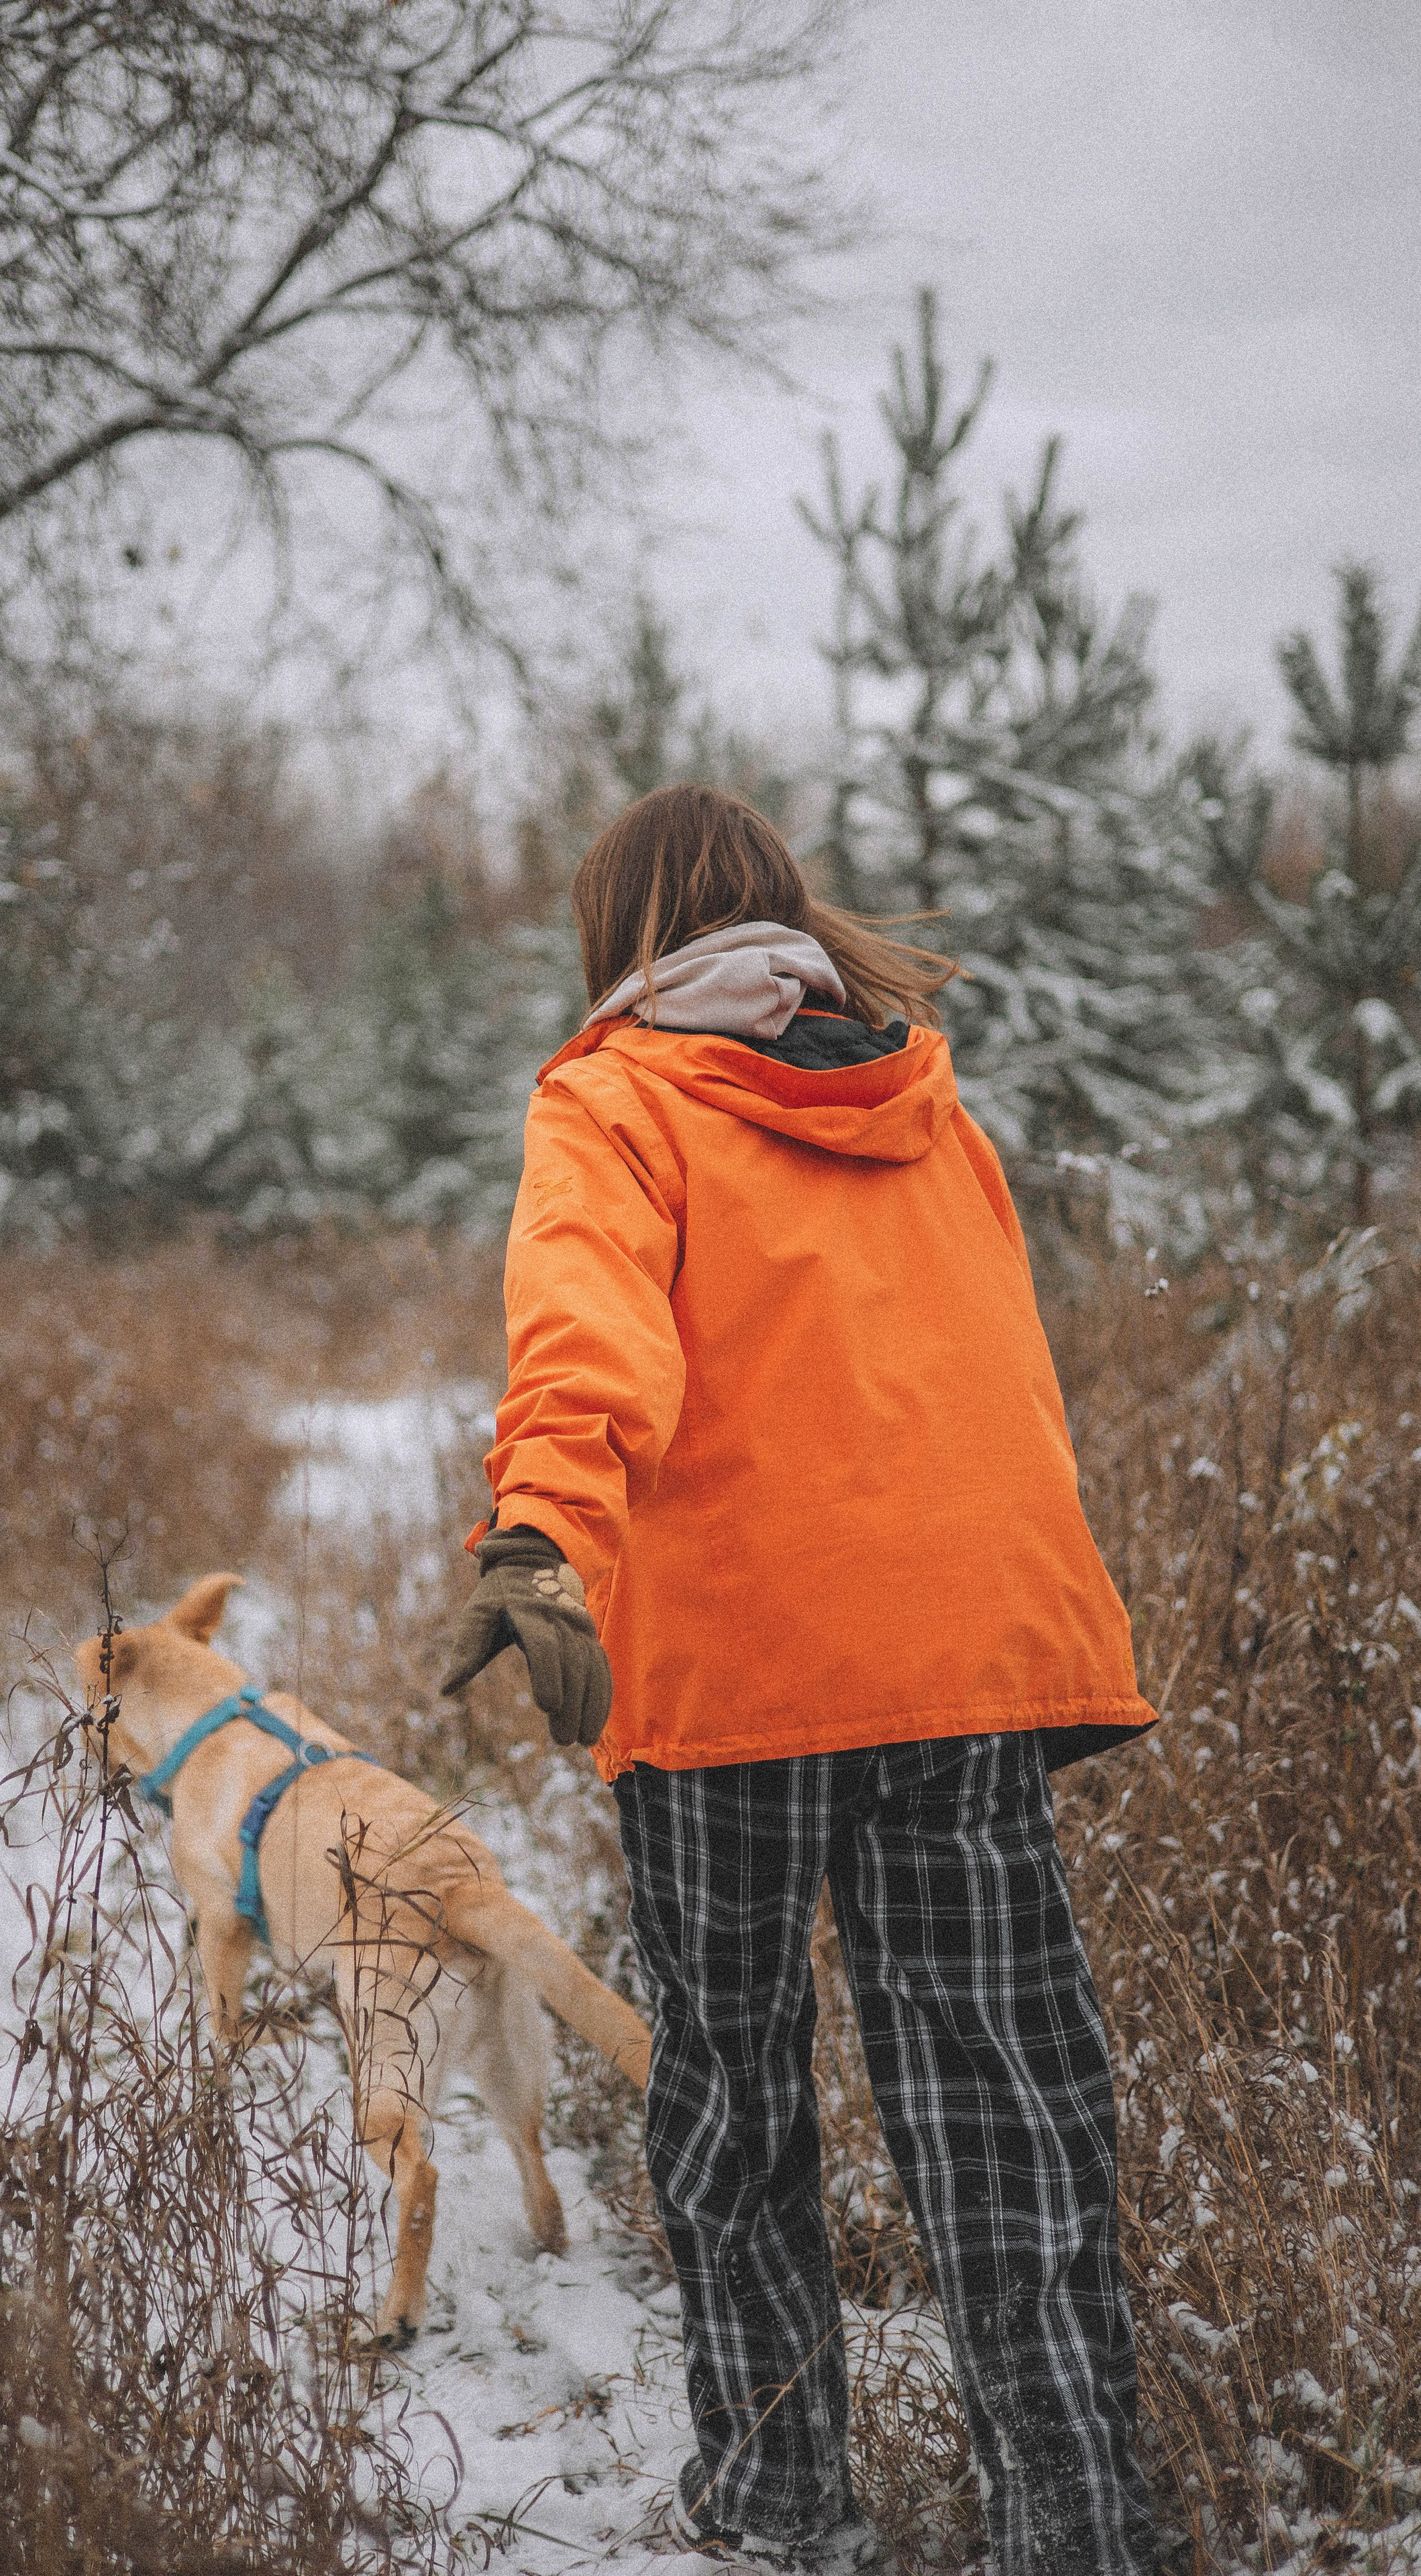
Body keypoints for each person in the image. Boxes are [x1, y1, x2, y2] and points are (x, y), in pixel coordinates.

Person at [441, 784, 1160, 2576]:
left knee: (738, 2109)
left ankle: (781, 2511)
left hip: (738, 1681)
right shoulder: (920, 1093)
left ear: (626, 935)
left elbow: (584, 1328)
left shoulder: (611, 1093)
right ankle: (1074, 2530)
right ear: (782, 914)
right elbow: (1011, 1378)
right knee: (1013, 2125)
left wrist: (539, 1537)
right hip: (960, 1669)